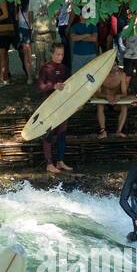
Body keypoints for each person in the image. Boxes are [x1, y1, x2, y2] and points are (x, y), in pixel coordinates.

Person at [37, 43, 73, 174]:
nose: (60, 57)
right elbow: (40, 86)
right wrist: (53, 86)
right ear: (52, 54)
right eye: (57, 54)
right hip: (49, 106)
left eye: (62, 54)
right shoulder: (45, 68)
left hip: (62, 105)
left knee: (62, 133)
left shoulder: (64, 68)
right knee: (49, 134)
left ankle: (60, 161)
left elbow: (71, 87)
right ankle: (49, 163)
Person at [94, 64, 133, 138]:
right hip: (104, 100)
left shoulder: (121, 74)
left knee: (124, 107)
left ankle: (119, 131)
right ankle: (103, 131)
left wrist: (118, 96)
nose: (116, 67)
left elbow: (124, 93)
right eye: (113, 65)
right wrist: (106, 96)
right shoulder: (100, 74)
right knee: (99, 105)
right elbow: (97, 93)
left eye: (116, 65)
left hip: (116, 101)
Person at [67, 10, 99, 75]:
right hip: (78, 55)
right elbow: (73, 38)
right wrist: (86, 35)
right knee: (76, 75)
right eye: (83, 14)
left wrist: (79, 37)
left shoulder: (92, 25)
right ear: (80, 16)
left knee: (92, 75)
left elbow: (94, 38)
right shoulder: (75, 26)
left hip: (91, 54)